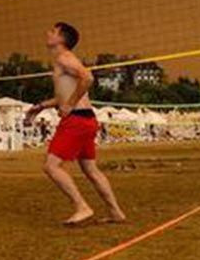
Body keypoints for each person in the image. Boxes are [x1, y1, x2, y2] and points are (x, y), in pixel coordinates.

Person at [24, 22, 127, 226]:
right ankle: (116, 212)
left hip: (77, 120)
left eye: (53, 31)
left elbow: (87, 78)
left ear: (61, 39)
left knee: (51, 166)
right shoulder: (63, 60)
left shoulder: (64, 58)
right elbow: (62, 96)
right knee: (90, 169)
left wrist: (70, 105)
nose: (48, 33)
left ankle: (82, 207)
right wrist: (41, 106)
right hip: (86, 119)